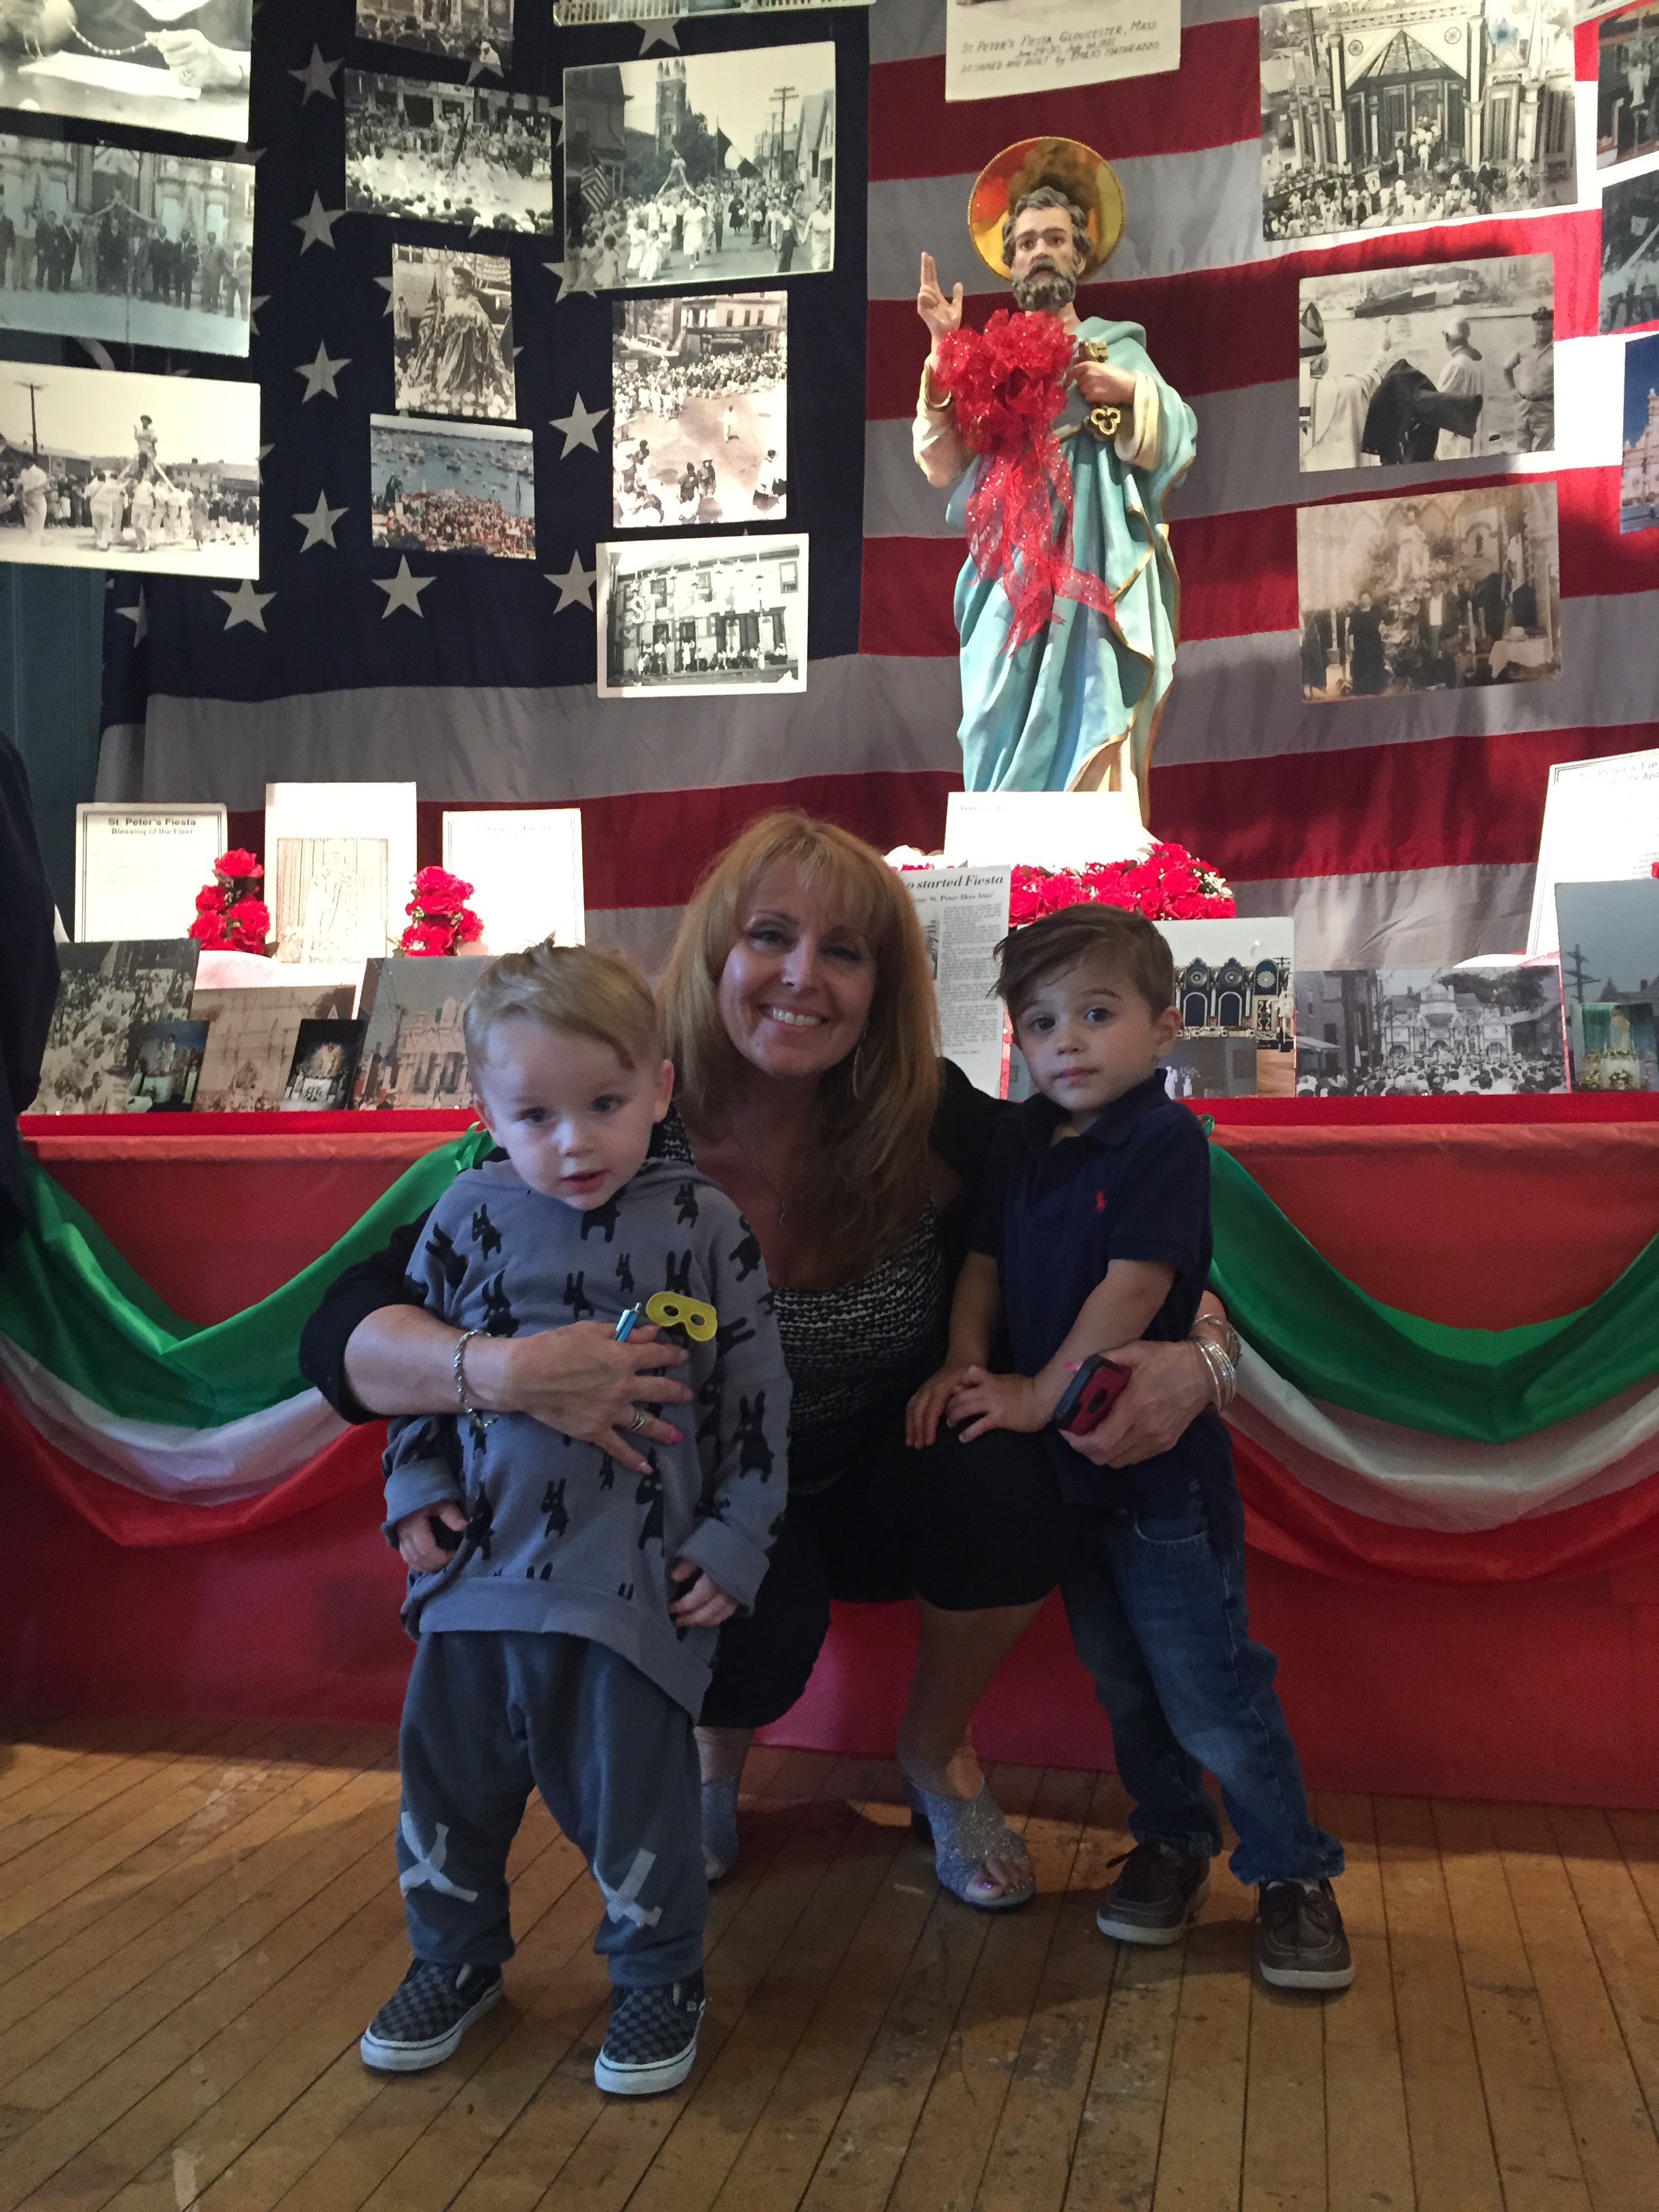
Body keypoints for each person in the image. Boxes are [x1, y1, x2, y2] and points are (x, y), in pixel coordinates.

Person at [301, 817, 1229, 1912]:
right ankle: (706, 1759)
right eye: (771, 936)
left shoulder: (931, 1114)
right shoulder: (611, 1110)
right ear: (713, 954)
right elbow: (345, 1326)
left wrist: (1203, 1358)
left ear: (884, 985)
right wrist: (506, 1374)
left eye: (844, 951)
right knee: (744, 1637)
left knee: (1007, 1476)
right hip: (699, 1497)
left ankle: (936, 1752)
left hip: (891, 1479)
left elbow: (1138, 1231)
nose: (802, 976)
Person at [359, 941, 790, 2093]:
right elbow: (419, 1372)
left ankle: (657, 1975)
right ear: (485, 1110)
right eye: (536, 1115)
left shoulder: (704, 1221)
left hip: (632, 1583)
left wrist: (736, 1536)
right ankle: (452, 1958)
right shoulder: (463, 1214)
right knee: (445, 1787)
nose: (574, 1142)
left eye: (604, 1104)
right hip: (475, 1578)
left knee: (636, 1798)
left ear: (659, 1084)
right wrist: (415, 1486)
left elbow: (756, 1397)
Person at [907, 904, 1352, 1989]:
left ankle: (1292, 1870)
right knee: (1121, 1681)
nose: (1066, 1041)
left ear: (1163, 1027)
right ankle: (1173, 1840)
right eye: (1040, 1021)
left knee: (1210, 1686)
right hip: (1073, 1484)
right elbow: (983, 1265)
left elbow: (1136, 1288)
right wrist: (965, 1361)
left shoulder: (1162, 1142)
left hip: (1159, 1485)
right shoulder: (1021, 1140)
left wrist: (1033, 1393)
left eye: (1096, 1014)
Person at [915, 139, 1195, 802]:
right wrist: (943, 352)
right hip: (1008, 563)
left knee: (1092, 687)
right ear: (1011, 261)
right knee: (993, 703)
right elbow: (941, 463)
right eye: (1026, 242)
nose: (1040, 251)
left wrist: (1126, 392)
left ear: (1079, 255)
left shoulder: (1115, 346)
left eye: (1055, 239)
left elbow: (1179, 437)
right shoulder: (984, 356)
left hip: (1092, 553)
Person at [1504, 306, 1554, 452]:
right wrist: (1512, 390)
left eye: (1545, 324)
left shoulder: (1559, 350)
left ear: (1553, 325)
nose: (1541, 329)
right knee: (1522, 450)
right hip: (1523, 407)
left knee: (1544, 451)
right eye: (1538, 324)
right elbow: (1506, 368)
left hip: (1546, 409)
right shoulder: (1524, 349)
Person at [1435, 319, 1483, 459]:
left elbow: (1438, 402)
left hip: (1458, 441)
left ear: (1447, 337)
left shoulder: (1456, 365)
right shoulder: (1477, 362)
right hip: (1476, 432)